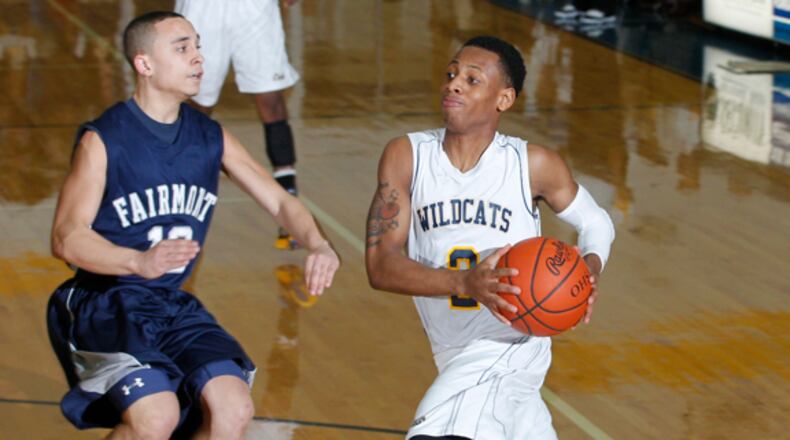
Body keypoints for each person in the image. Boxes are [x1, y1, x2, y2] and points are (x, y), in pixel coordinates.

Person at [46, 11, 339, 439]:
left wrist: (318, 243)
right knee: (157, 416)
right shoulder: (105, 139)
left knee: (233, 407)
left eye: (199, 47)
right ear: (144, 64)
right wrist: (136, 262)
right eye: (182, 49)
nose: (199, 58)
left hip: (169, 303)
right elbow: (65, 237)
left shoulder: (210, 136)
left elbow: (279, 200)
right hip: (108, 303)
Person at [364, 36, 614, 439]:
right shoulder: (407, 156)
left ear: (504, 99)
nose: (453, 84)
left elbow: (597, 223)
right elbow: (380, 266)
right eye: (450, 74)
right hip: (452, 353)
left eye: (471, 79)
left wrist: (591, 267)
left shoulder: (531, 165)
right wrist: (464, 282)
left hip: (511, 344)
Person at [174, 0, 302, 250]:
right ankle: (180, 192)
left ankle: (289, 199)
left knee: (271, 97)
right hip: (204, 8)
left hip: (254, 8)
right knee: (197, 100)